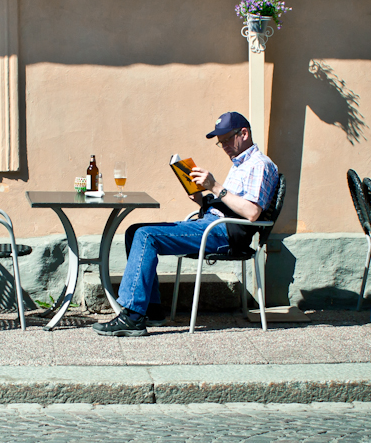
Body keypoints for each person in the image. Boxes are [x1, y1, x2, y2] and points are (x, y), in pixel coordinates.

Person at [93, 111, 279, 337]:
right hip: (212, 224)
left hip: (224, 233)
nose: (224, 146)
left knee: (146, 235)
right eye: (221, 143)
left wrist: (214, 186)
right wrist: (199, 197)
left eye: (227, 140)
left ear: (244, 133)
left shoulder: (259, 164)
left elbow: (252, 212)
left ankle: (132, 316)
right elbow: (230, 204)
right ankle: (152, 310)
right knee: (134, 231)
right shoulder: (240, 164)